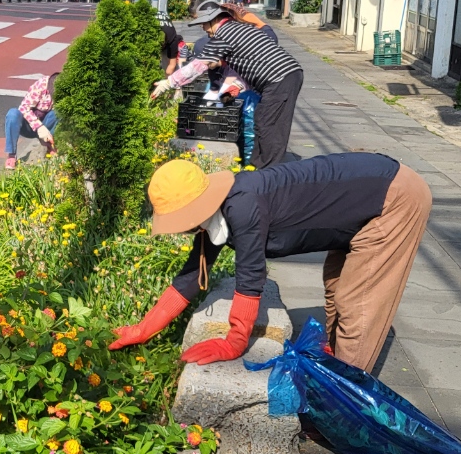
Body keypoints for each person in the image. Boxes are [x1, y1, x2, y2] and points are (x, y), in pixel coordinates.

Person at [109, 154, 432, 372]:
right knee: (337, 287)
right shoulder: (213, 215)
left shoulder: (243, 205)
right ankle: (334, 364)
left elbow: (250, 275)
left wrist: (235, 342)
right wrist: (143, 328)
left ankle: (344, 406)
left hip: (391, 197)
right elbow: (192, 275)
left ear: (197, 206)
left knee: (357, 303)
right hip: (356, 200)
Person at [150, 1, 303, 169]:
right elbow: (246, 68)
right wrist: (230, 93)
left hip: (280, 77)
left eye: (203, 24)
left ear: (213, 20)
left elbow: (197, 65)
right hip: (285, 75)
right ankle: (258, 167)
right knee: (263, 121)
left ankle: (269, 173)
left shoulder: (224, 35)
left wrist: (168, 82)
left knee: (269, 126)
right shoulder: (239, 29)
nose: (203, 29)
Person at [5, 72, 58, 169]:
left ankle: (50, 146)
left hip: (47, 124)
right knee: (12, 114)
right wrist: (39, 127)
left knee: (57, 113)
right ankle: (11, 155)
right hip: (28, 126)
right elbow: (24, 108)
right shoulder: (40, 85)